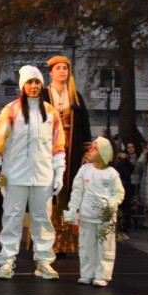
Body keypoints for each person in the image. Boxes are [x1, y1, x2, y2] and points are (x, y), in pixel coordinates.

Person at [0, 65, 66, 280]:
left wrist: (59, 173)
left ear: (41, 85)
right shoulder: (11, 110)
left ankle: (43, 262)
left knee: (43, 219)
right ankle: (6, 261)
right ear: (23, 85)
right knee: (12, 218)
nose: (33, 86)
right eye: (30, 82)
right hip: (15, 174)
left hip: (43, 175)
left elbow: (58, 146)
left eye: (37, 82)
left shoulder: (51, 112)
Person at [40, 55, 92, 256]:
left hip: (71, 151)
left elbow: (85, 126)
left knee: (69, 192)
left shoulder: (75, 96)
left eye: (65, 68)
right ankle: (46, 241)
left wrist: (86, 152)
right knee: (47, 193)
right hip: (48, 150)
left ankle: (66, 242)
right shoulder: (43, 95)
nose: (62, 71)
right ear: (51, 72)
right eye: (58, 68)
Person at [63, 137, 125, 287]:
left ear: (104, 152)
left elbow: (118, 193)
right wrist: (73, 209)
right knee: (86, 247)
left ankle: (102, 275)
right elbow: (77, 191)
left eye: (95, 148)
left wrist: (111, 204)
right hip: (87, 216)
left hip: (105, 219)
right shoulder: (84, 170)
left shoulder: (111, 173)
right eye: (91, 148)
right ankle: (87, 274)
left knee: (105, 248)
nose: (91, 151)